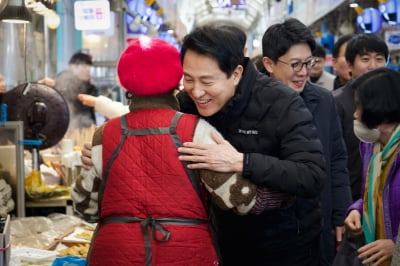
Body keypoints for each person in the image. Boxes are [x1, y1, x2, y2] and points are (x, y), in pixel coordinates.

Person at [72, 36, 297, 265]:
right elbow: (238, 198)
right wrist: (282, 196)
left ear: (125, 84)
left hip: (114, 254)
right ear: (177, 80)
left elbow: (84, 206)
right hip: (185, 253)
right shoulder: (195, 130)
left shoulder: (105, 135)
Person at [175, 24, 325, 265]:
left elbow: (312, 174)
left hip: (286, 245)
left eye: (207, 81)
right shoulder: (186, 103)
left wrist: (241, 162)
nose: (196, 91)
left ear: (236, 73)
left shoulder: (281, 102)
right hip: (222, 241)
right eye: (188, 79)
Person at [260, 18, 352, 266]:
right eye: (295, 64)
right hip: (267, 230)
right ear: (268, 63)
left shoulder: (323, 100)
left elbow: (336, 159)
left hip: (317, 222)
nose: (303, 72)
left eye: (308, 63)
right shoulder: (253, 102)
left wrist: (341, 214)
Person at [344, 67, 400, 266]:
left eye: (360, 107)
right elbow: (373, 194)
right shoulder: (373, 149)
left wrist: (395, 246)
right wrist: (357, 209)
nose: (356, 115)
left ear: (380, 108)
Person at [333, 34, 388, 201]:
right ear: (350, 65)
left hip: (386, 197)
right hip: (352, 200)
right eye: (365, 59)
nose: (373, 66)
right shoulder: (337, 103)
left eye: (379, 59)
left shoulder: (392, 100)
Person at [55, 51, 98, 132]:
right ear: (73, 67)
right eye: (84, 66)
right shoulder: (62, 84)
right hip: (68, 131)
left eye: (89, 66)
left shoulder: (90, 88)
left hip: (87, 130)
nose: (88, 70)